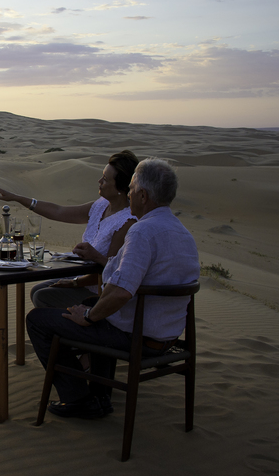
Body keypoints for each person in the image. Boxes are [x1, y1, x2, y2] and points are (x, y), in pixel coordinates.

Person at [26, 158, 200, 419]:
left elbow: (120, 292)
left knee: (38, 321)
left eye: (131, 188)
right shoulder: (182, 232)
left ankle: (78, 399)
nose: (128, 194)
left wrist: (88, 317)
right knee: (92, 307)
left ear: (143, 195)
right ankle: (100, 395)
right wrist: (89, 303)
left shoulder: (142, 232)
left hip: (138, 337)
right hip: (166, 336)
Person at [0, 150, 138, 308]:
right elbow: (58, 211)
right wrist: (18, 198)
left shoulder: (126, 222)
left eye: (105, 179)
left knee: (42, 296)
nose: (99, 181)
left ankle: (73, 328)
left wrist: (75, 282)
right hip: (82, 278)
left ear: (121, 188)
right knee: (37, 290)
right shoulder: (100, 206)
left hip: (100, 290)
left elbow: (110, 272)